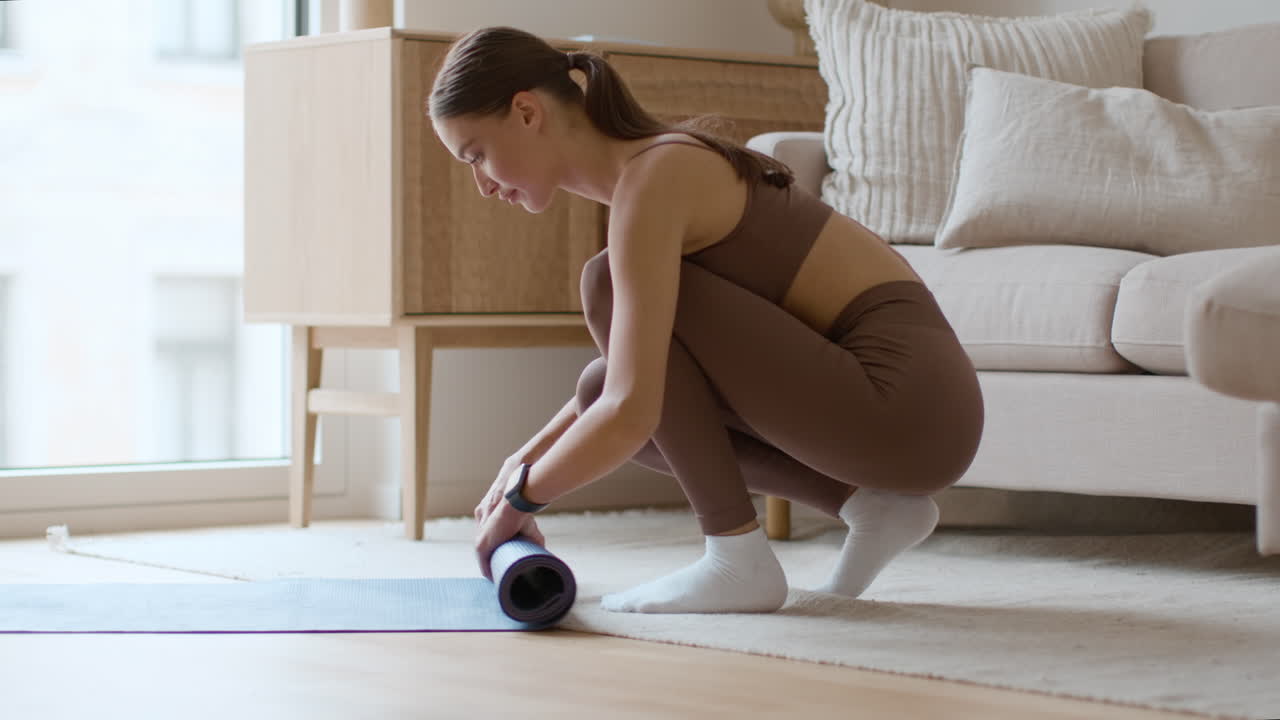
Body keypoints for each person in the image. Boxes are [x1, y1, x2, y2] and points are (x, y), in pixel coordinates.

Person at [428, 26, 984, 615]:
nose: (482, 185)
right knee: (595, 386)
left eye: (477, 154)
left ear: (526, 112)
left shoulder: (657, 176)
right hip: (910, 414)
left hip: (912, 404)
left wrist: (522, 500)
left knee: (605, 288)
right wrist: (525, 458)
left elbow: (632, 409)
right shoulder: (647, 180)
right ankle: (868, 505)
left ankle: (735, 557)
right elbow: (618, 391)